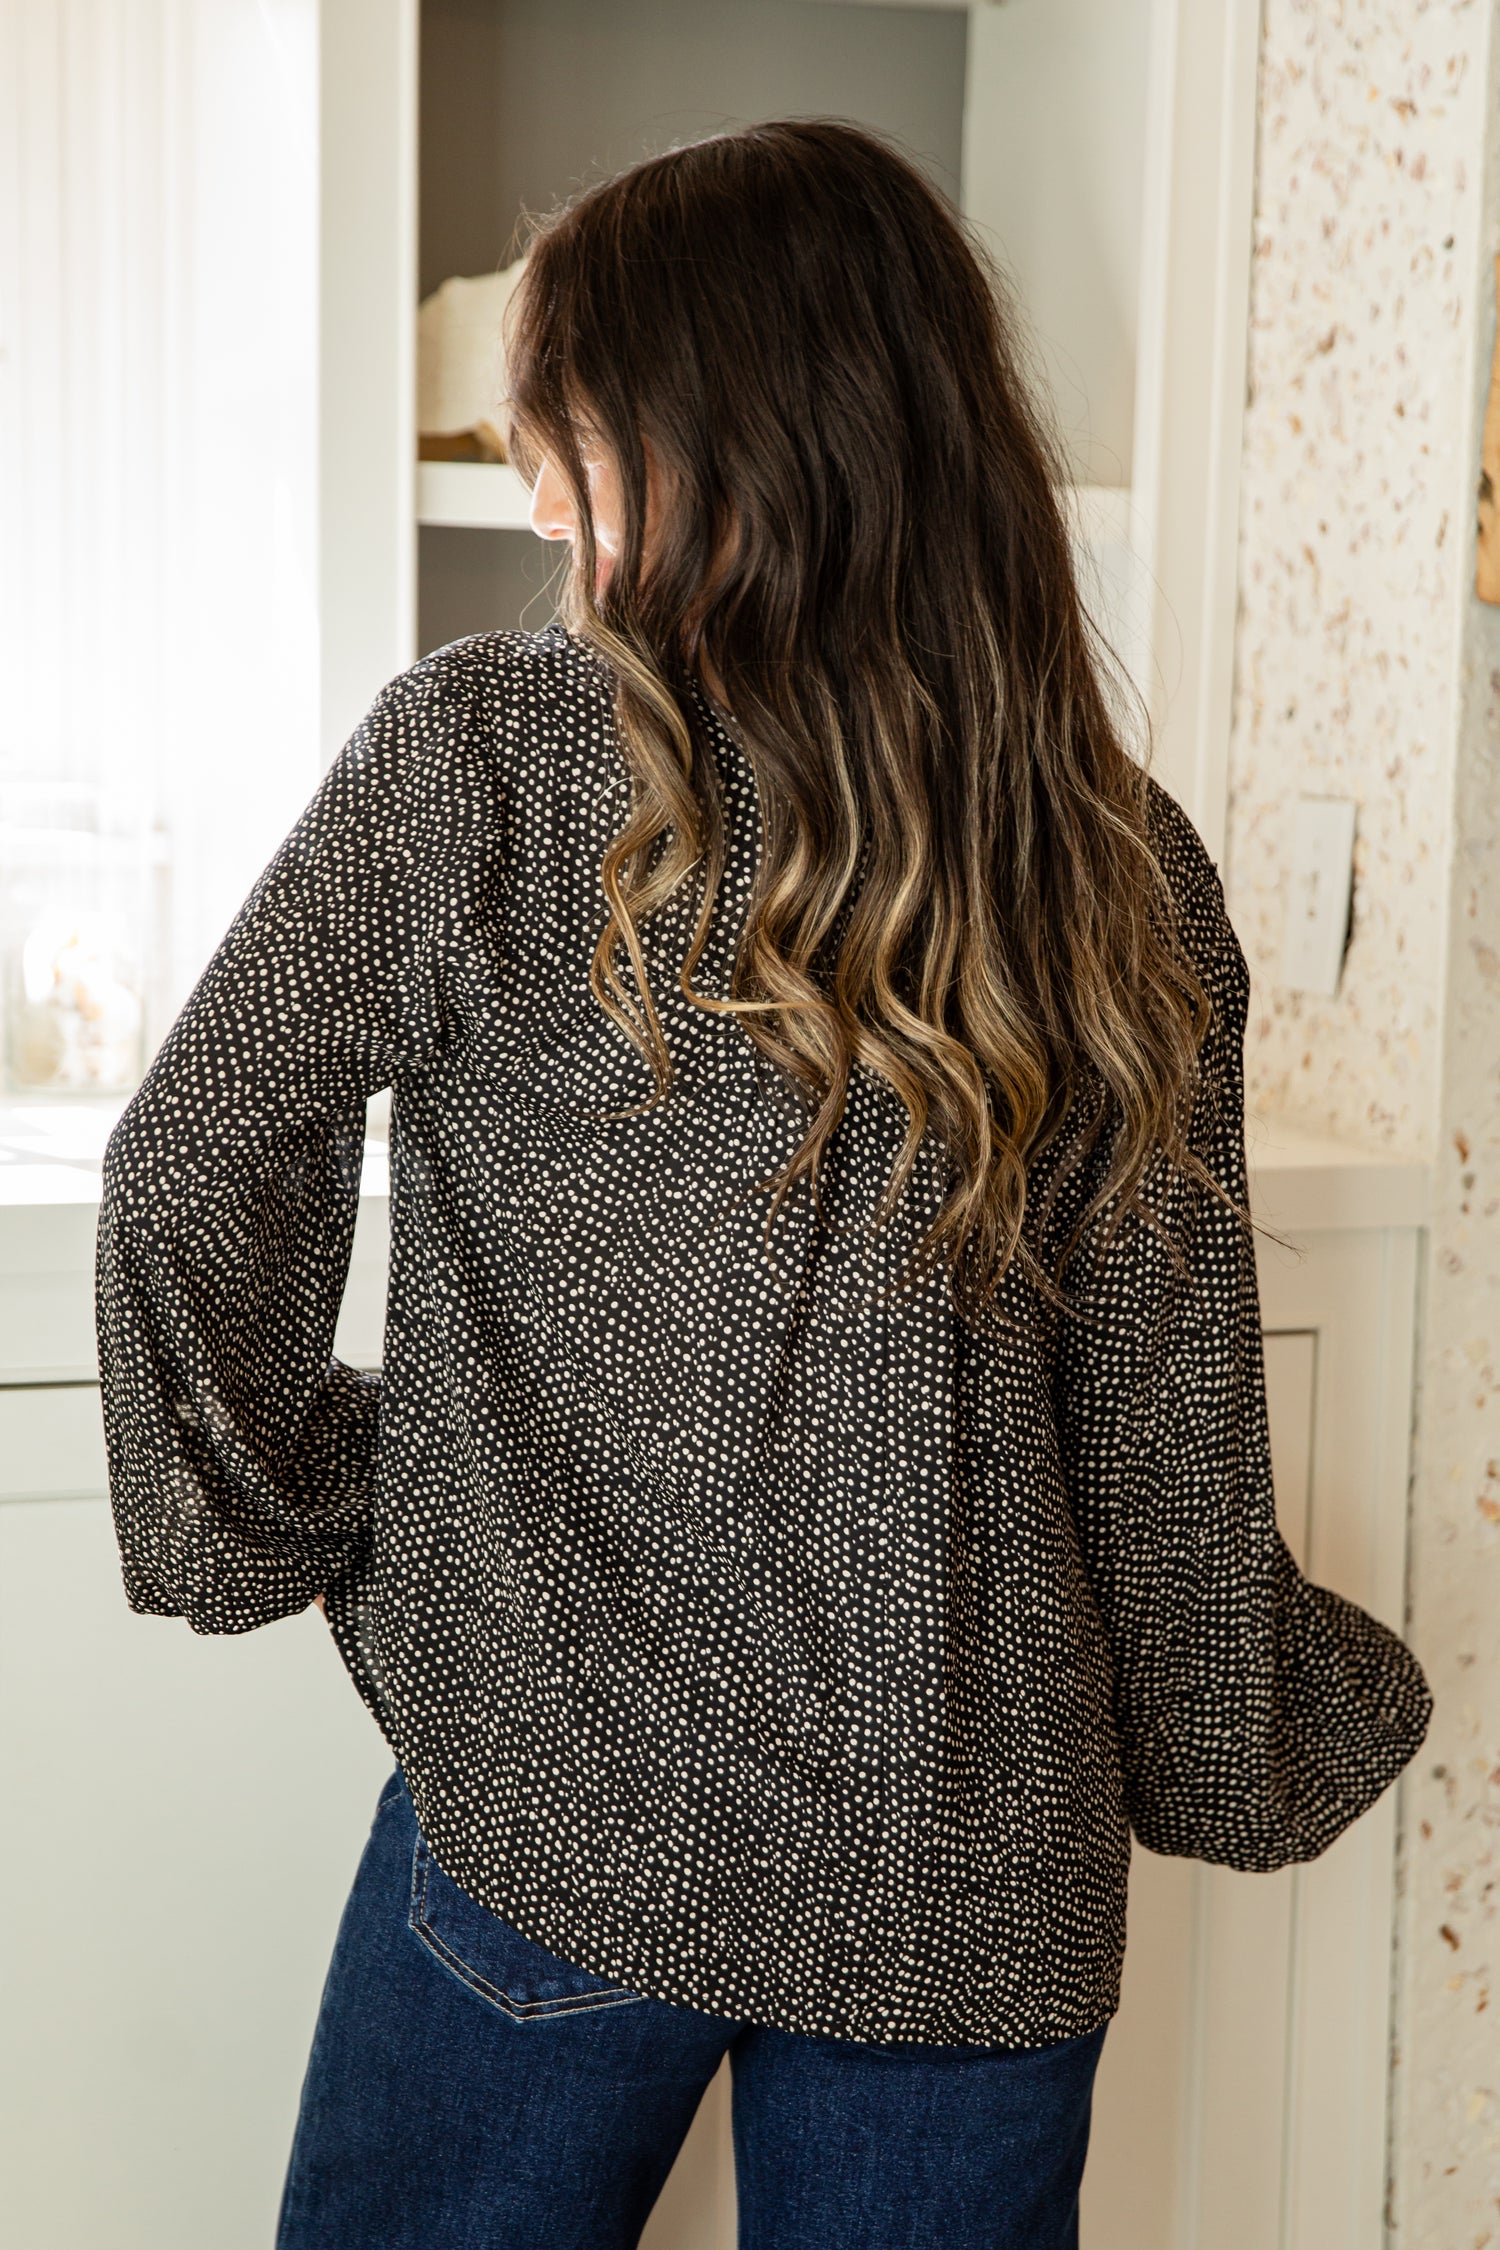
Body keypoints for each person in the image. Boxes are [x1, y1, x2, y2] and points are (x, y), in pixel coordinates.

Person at [94, 119, 1431, 2250]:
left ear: (752, 446)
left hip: (560, 1800)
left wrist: (308, 1499)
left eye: (580, 446)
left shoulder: (480, 765)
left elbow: (189, 1170)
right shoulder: (1119, 869)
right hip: (968, 1863)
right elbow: (1170, 1441)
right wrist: (1227, 1732)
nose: (544, 500)